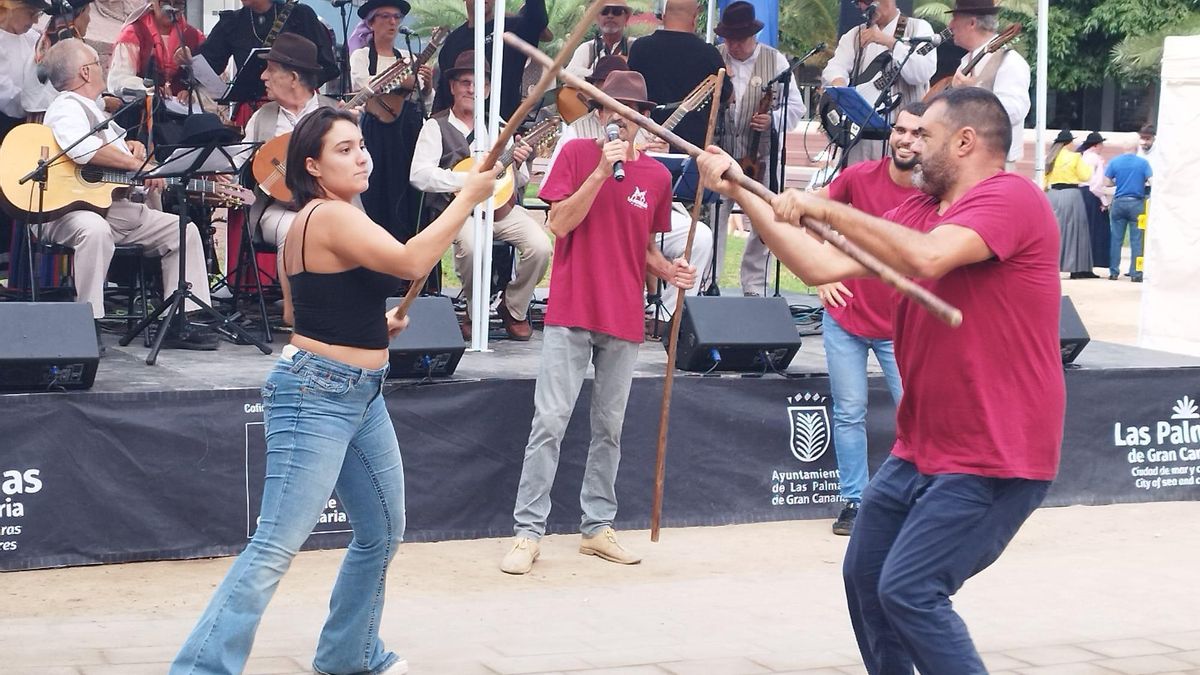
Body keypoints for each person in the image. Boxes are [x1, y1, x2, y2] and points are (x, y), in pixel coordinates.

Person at [696, 86, 1063, 674]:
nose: (910, 146)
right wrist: (739, 187)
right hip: (922, 448)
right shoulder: (916, 211)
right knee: (866, 579)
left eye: (926, 137)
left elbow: (928, 258)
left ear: (965, 142)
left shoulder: (1011, 200)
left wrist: (827, 209)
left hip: (995, 452)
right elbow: (817, 264)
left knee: (911, 591)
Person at [171, 106, 500, 675]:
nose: (360, 155)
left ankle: (349, 654)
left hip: (357, 390)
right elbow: (411, 260)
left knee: (382, 529)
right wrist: (466, 198)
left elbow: (310, 304)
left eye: (360, 145)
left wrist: (376, 325)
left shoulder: (336, 215)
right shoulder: (327, 215)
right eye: (343, 149)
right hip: (316, 392)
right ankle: (198, 670)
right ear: (313, 167)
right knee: (275, 546)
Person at [499, 71, 695, 575]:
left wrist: (670, 269)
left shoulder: (656, 176)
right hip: (572, 310)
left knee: (609, 427)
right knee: (550, 421)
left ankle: (596, 527)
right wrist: (600, 174)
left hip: (624, 314)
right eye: (617, 110)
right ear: (601, 115)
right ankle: (527, 533)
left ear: (644, 118)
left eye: (637, 112)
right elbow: (558, 224)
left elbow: (647, 247)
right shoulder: (576, 155)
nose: (627, 119)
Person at [37, 39, 217, 351]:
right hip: (70, 211)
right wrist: (137, 164)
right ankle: (86, 323)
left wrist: (134, 148)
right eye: (97, 62)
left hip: (119, 210)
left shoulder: (94, 110)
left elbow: (119, 156)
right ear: (84, 71)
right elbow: (81, 149)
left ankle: (180, 320)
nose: (103, 66)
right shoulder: (66, 106)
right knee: (94, 230)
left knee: (183, 231)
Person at [815, 102, 925, 536]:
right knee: (849, 412)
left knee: (916, 413)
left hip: (901, 324)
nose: (906, 139)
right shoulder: (860, 175)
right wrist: (821, 272)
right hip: (846, 317)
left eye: (918, 133)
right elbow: (811, 210)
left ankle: (916, 497)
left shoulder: (934, 191)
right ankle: (855, 502)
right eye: (900, 130)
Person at [411, 50, 551, 341]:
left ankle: (513, 308)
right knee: (475, 248)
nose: (471, 90)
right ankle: (475, 314)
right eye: (465, 82)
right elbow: (419, 175)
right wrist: (465, 180)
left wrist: (521, 160)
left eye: (479, 84)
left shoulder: (501, 128)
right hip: (457, 209)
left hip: (500, 209)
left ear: (488, 89)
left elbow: (517, 181)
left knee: (540, 246)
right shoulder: (435, 127)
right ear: (452, 87)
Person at [713, 0, 806, 295]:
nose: (734, 45)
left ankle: (754, 286)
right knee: (715, 216)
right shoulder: (714, 57)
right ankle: (708, 281)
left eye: (739, 39)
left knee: (764, 220)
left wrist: (772, 119)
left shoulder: (775, 61)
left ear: (752, 35)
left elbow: (796, 107)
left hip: (762, 155)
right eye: (729, 38)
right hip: (722, 151)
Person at [243, 34, 338, 262]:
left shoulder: (336, 114)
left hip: (334, 208)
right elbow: (238, 166)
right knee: (297, 231)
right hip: (278, 209)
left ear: (293, 78)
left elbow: (364, 170)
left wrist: (351, 142)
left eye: (271, 69)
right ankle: (296, 298)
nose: (263, 76)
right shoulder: (261, 118)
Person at [349, 0, 429, 243]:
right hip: (374, 132)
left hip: (406, 132)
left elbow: (421, 93)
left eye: (396, 17)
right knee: (376, 190)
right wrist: (403, 81)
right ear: (371, 22)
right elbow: (362, 86)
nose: (392, 22)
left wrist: (427, 84)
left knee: (405, 192)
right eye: (384, 16)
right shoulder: (361, 56)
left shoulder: (408, 55)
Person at [821, 0, 936, 166]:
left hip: (902, 140)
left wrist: (889, 42)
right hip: (859, 137)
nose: (863, 6)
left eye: (867, 1)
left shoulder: (918, 28)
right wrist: (840, 86)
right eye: (858, 3)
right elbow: (835, 67)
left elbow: (920, 73)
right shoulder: (855, 35)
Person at [194, 0, 338, 111]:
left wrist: (296, 91)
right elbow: (211, 63)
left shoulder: (300, 16)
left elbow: (325, 65)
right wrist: (188, 62)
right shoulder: (233, 22)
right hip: (252, 108)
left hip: (299, 104)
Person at [628, 0, 731, 152]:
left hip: (645, 143)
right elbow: (727, 96)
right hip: (690, 148)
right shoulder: (709, 54)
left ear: (663, 16)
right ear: (695, 16)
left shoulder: (639, 48)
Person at [947, 0, 1030, 168]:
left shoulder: (1010, 61)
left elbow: (1015, 110)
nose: (950, 25)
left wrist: (973, 92)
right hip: (966, 160)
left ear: (972, 23)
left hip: (994, 164)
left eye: (955, 18)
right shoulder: (965, 62)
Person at [432, 0, 548, 120]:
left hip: (503, 128)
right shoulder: (453, 41)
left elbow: (538, 19)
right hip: (460, 130)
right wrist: (434, 126)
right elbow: (443, 94)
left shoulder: (514, 28)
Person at [1044, 128, 1094, 278]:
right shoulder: (1075, 157)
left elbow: (1044, 180)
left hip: (1052, 195)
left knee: (1054, 230)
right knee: (1075, 230)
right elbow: (1085, 176)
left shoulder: (1050, 157)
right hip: (1071, 194)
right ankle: (1076, 267)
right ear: (1069, 143)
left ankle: (1051, 264)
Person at [1104, 137, 1152, 283]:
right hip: (1137, 204)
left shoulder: (1114, 162)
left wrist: (1117, 182)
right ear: (1136, 148)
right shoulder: (1143, 163)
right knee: (1137, 240)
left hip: (1119, 203)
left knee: (1116, 239)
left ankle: (1113, 271)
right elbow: (1151, 181)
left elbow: (1106, 182)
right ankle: (1136, 272)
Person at [0, 0, 46, 137]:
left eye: (39, 14)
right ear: (9, 9)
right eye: (31, 13)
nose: (36, 20)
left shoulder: (31, 38)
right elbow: (7, 96)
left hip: (26, 121)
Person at [563, 0, 635, 80]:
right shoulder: (588, 48)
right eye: (604, 11)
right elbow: (568, 74)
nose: (610, 16)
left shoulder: (636, 46)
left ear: (626, 18)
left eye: (616, 11)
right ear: (597, 18)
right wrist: (599, 73)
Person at [1077, 131, 1110, 270]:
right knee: (1096, 229)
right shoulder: (1096, 159)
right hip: (1092, 196)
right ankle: (1095, 260)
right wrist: (1104, 200)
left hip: (1080, 193)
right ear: (1097, 145)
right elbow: (1096, 184)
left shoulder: (1081, 157)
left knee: (1082, 230)